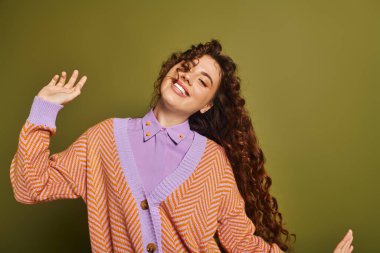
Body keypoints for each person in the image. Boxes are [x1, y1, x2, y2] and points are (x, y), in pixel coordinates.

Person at [10, 40, 353, 253]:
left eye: (203, 80)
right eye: (186, 67)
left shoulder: (213, 163)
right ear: (169, 73)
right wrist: (44, 109)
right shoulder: (103, 139)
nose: (187, 76)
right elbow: (30, 186)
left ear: (206, 105)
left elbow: (242, 244)